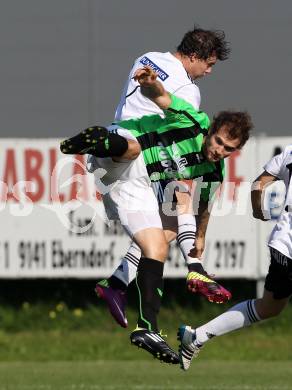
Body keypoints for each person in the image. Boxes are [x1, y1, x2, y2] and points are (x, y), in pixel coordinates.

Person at [60, 66, 252, 364]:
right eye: (218, 142)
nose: (220, 151)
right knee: (148, 162)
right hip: (119, 150)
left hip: (133, 186)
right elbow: (161, 97)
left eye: (229, 149)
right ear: (210, 130)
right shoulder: (192, 120)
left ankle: (144, 325)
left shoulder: (213, 170)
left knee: (159, 244)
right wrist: (150, 84)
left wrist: (200, 237)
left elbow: (204, 207)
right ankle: (98, 140)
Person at [96, 24, 232, 329]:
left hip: (116, 146)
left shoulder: (146, 57)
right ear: (196, 55)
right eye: (209, 64)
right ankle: (195, 266)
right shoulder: (188, 89)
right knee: (182, 197)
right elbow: (176, 127)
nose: (209, 72)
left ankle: (117, 282)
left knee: (162, 230)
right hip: (139, 156)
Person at [178, 145, 292, 370]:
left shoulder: (290, 150)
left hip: (283, 242)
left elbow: (258, 185)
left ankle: (197, 336)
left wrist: (258, 210)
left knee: (269, 307)